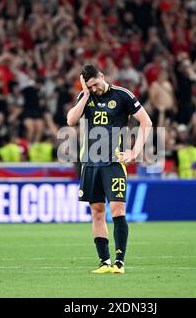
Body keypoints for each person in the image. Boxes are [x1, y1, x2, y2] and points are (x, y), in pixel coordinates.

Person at [67, 64, 152, 274]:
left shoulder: (122, 95)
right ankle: (104, 262)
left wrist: (135, 151)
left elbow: (146, 122)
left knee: (117, 210)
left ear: (102, 77)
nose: (94, 89)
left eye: (95, 84)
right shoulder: (86, 96)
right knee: (97, 212)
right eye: (90, 86)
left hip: (114, 162)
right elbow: (70, 120)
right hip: (89, 162)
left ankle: (120, 262)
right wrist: (86, 94)